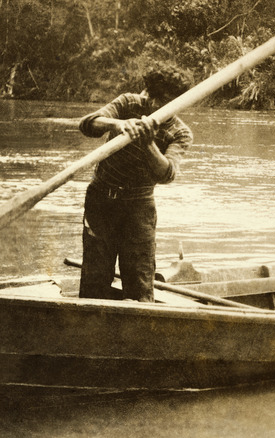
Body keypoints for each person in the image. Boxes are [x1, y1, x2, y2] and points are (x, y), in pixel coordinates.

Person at [77, 66, 194, 302]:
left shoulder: (179, 132)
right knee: (95, 277)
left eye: (161, 99)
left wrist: (149, 144)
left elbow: (167, 174)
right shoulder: (128, 103)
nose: (151, 102)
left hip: (139, 208)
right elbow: (87, 124)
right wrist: (116, 125)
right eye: (150, 94)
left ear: (174, 103)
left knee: (140, 282)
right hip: (101, 201)